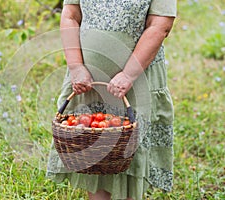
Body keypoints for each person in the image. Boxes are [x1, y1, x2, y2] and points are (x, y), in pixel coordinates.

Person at [47, 0, 177, 199]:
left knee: (129, 148)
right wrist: (76, 67)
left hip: (138, 77)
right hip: (89, 80)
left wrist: (128, 75)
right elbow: (71, 14)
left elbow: (159, 26)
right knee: (95, 148)